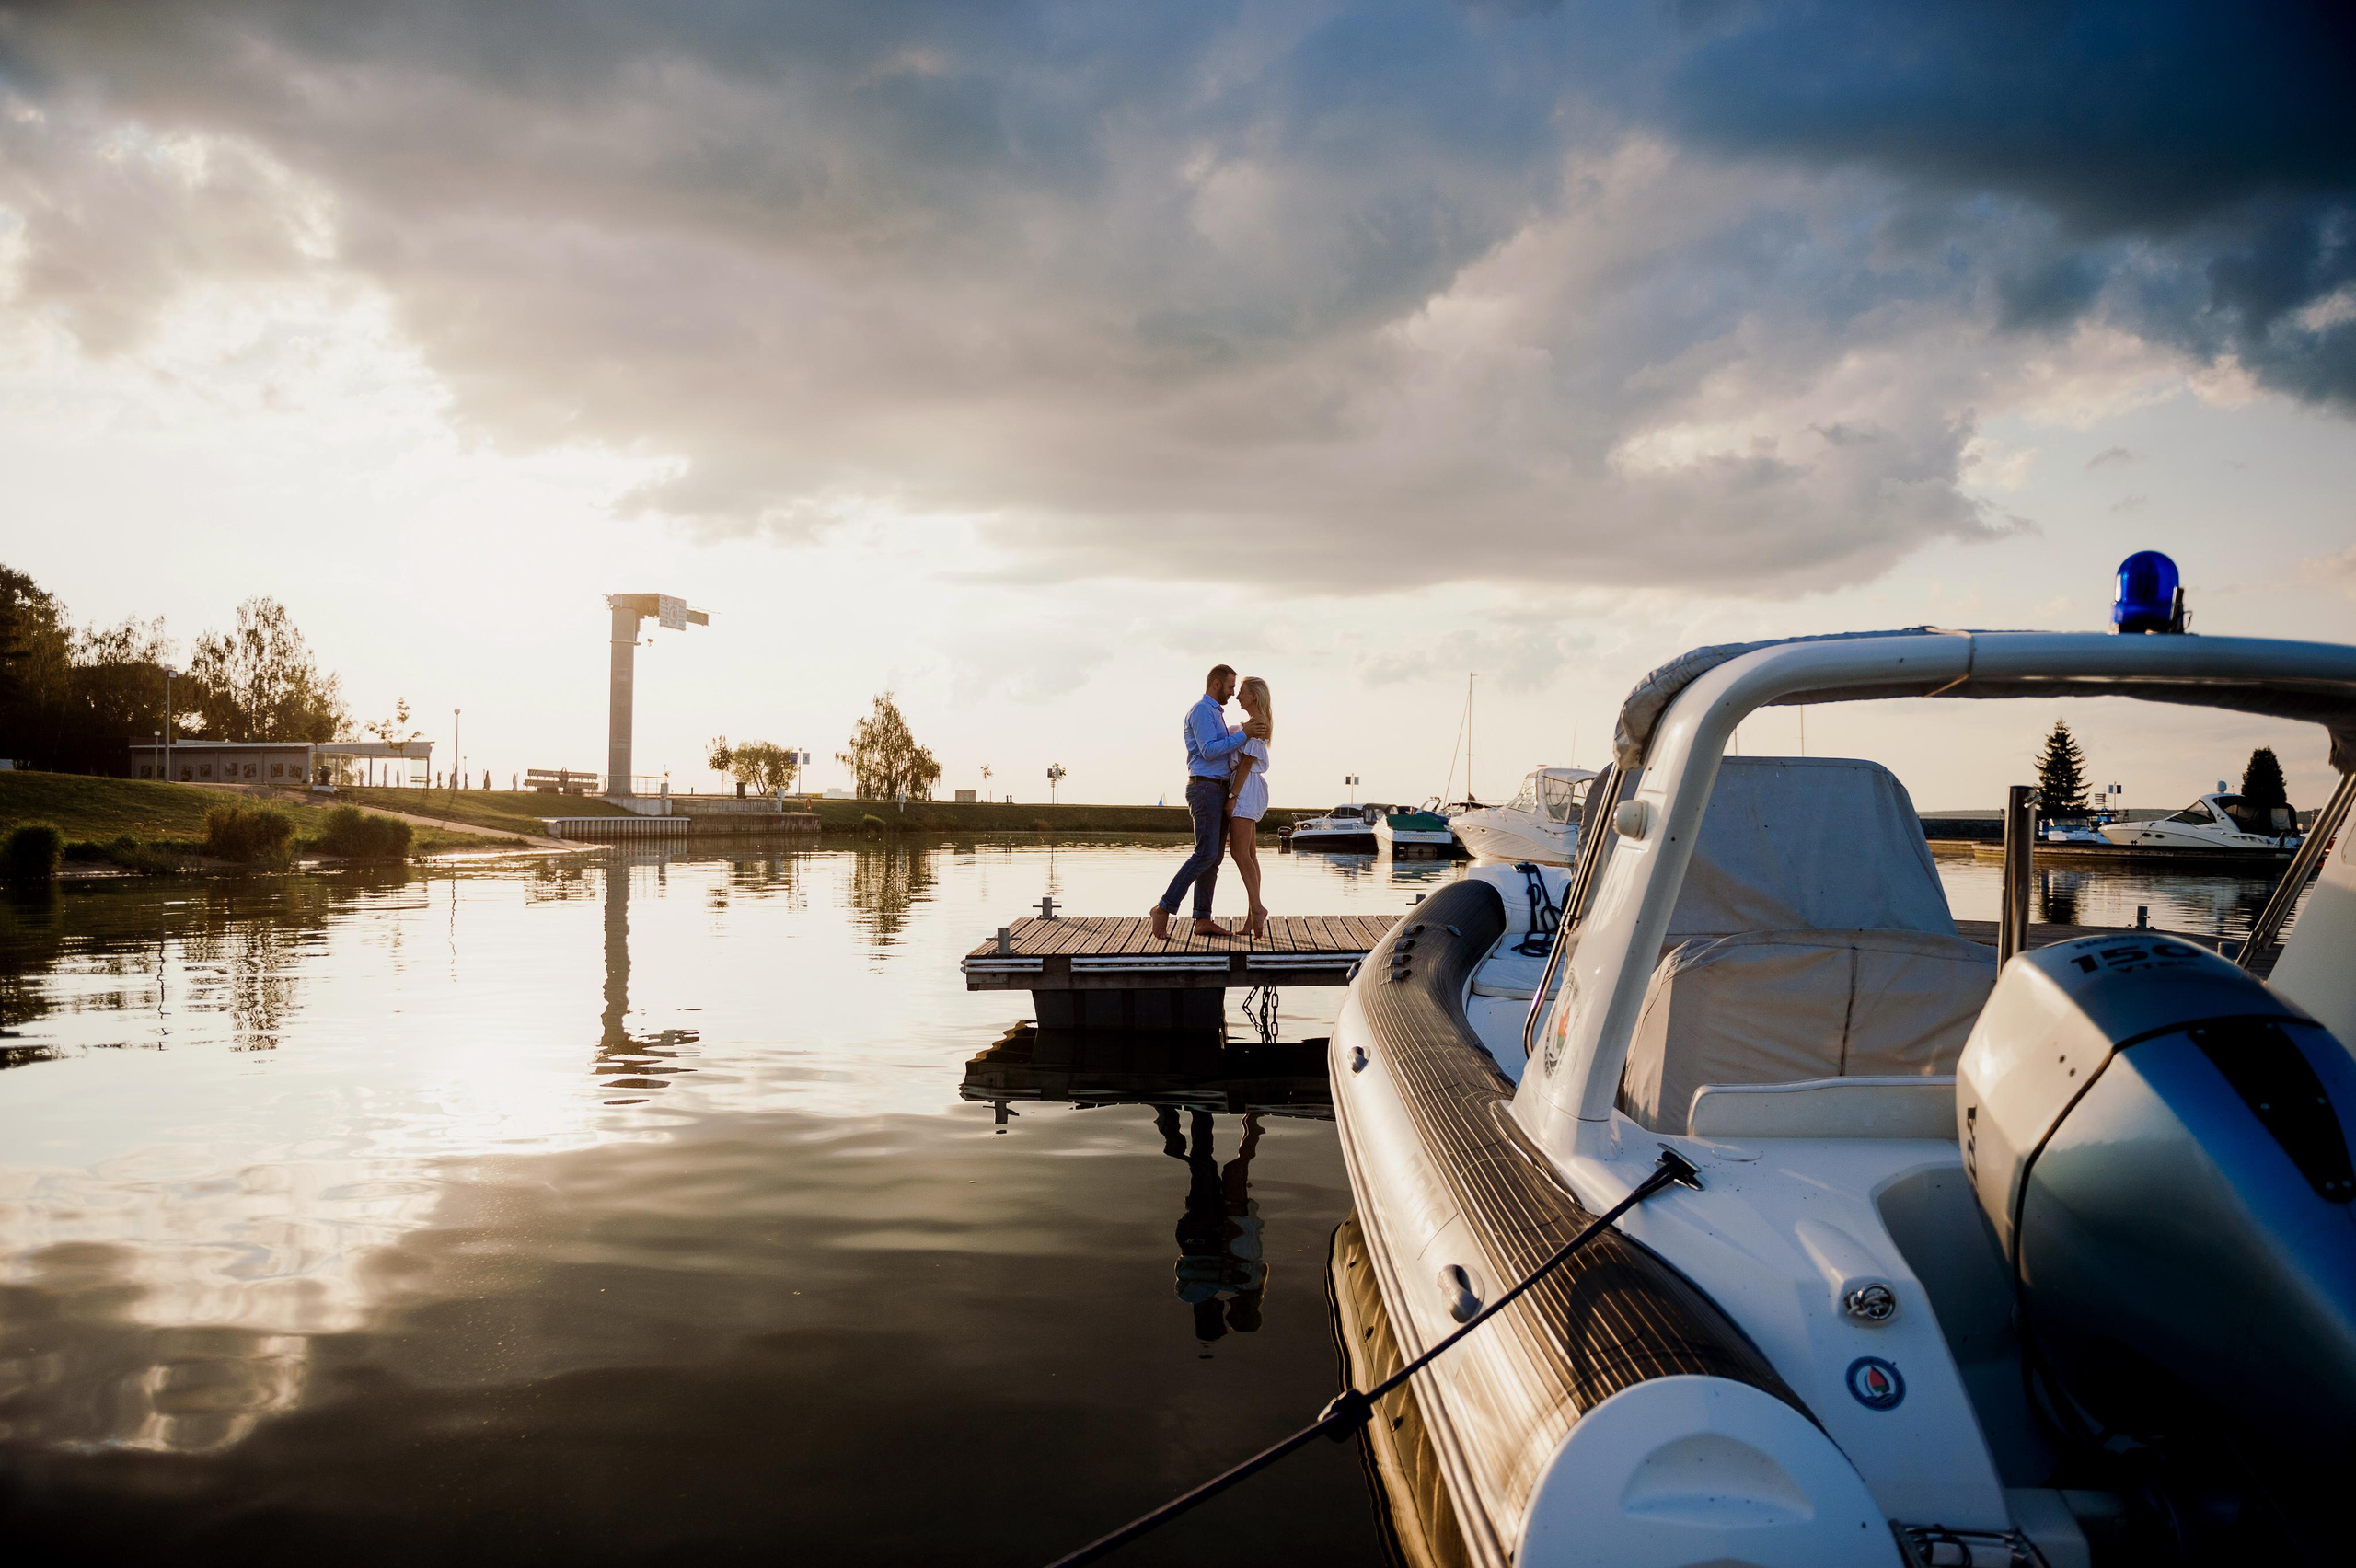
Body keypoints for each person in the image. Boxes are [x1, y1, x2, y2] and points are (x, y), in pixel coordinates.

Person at [1150, 663, 1268, 940]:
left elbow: (1232, 748)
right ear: (1216, 684)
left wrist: (1244, 731)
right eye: (1229, 687)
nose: (1232, 693)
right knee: (1204, 854)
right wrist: (1245, 734)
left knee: (1213, 859)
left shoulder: (1216, 714)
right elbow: (1209, 750)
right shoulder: (1202, 711)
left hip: (1218, 788)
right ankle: (1163, 908)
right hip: (1205, 788)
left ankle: (1202, 918)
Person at [1224, 676, 1273, 937]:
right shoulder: (1251, 725)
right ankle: (1251, 918)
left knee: (1239, 853)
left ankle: (1257, 908)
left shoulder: (1258, 724)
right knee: (1250, 854)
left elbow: (1245, 763)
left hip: (1245, 788)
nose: (1236, 696)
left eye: (1241, 692)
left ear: (1254, 696)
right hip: (1248, 787)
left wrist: (1232, 796)